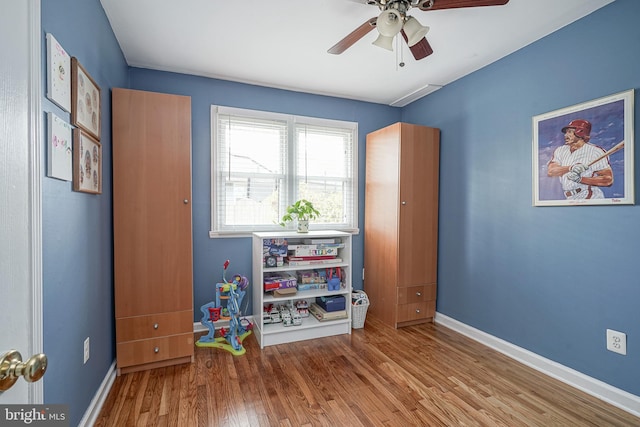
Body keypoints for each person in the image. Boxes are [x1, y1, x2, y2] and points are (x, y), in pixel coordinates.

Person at [547, 119, 613, 200]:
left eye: (570, 132)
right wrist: (571, 168)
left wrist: (580, 179)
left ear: (580, 132)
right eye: (566, 132)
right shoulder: (560, 150)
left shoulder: (595, 151)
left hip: (590, 196)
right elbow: (551, 171)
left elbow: (607, 180)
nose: (565, 135)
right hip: (569, 197)